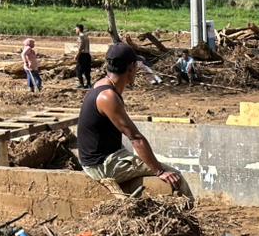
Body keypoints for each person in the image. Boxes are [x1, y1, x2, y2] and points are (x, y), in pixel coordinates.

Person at [76, 42, 193, 201]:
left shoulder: (101, 85)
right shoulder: (108, 97)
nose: (137, 70)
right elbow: (136, 138)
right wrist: (160, 171)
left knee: (147, 161)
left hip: (102, 157)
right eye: (136, 66)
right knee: (176, 176)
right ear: (131, 68)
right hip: (102, 165)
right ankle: (190, 221)